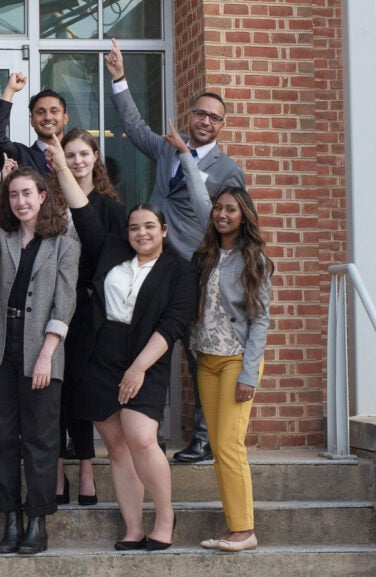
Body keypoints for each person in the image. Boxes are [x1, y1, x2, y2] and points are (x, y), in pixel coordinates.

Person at [48, 134, 197, 552]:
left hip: (146, 355)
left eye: (150, 226)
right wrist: (61, 165)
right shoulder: (112, 250)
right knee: (115, 445)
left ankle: (164, 517)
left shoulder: (179, 271)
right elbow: (82, 211)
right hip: (99, 353)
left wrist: (138, 368)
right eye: (135, 227)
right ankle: (133, 526)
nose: (141, 233)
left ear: (163, 230)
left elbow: (173, 325)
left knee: (141, 437)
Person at [106, 38, 245, 462]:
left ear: (222, 126)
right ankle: (147, 427)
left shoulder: (226, 169)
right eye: (200, 113)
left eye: (214, 118)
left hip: (195, 267)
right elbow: (134, 130)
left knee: (196, 350)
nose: (205, 121)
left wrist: (187, 156)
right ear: (190, 114)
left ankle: (202, 439)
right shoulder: (168, 144)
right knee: (149, 341)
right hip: (155, 262)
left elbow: (214, 214)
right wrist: (119, 79)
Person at [0, 163, 78, 555]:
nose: (20, 202)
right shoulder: (5, 234)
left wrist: (48, 354)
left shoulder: (64, 238)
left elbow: (65, 300)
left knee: (41, 440)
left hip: (42, 350)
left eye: (27, 194)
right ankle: (10, 518)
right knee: (0, 437)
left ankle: (37, 521)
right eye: (13, 196)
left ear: (42, 196)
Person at [190, 186, 272, 552]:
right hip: (206, 360)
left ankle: (245, 530)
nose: (222, 214)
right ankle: (233, 527)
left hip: (237, 360)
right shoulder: (206, 255)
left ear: (244, 216)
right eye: (218, 208)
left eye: (231, 210)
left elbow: (261, 321)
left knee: (228, 443)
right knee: (218, 446)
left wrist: (248, 375)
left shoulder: (254, 258)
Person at [50, 128, 127, 506]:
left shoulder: (111, 208)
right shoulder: (51, 203)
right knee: (54, 391)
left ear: (95, 157)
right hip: (50, 306)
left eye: (83, 154)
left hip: (89, 307)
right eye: (70, 155)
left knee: (79, 389)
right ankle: (57, 469)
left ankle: (85, 468)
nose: (77, 161)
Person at [0, 72, 69, 179]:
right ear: (32, 121)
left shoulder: (76, 155)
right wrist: (10, 90)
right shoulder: (21, 156)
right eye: (40, 112)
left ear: (65, 118)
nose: (48, 117)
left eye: (54, 111)